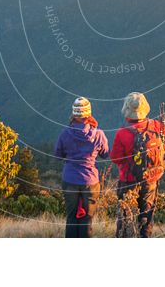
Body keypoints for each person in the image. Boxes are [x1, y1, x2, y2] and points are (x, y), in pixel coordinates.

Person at [110, 92, 165, 238]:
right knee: (146, 217)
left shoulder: (122, 133)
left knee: (125, 217)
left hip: (128, 181)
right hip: (150, 180)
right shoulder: (157, 126)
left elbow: (115, 158)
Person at [54, 97, 109, 238]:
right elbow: (105, 155)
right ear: (89, 113)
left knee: (72, 217)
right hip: (90, 181)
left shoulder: (65, 133)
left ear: (74, 113)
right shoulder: (99, 134)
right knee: (87, 219)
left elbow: (58, 155)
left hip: (70, 179)